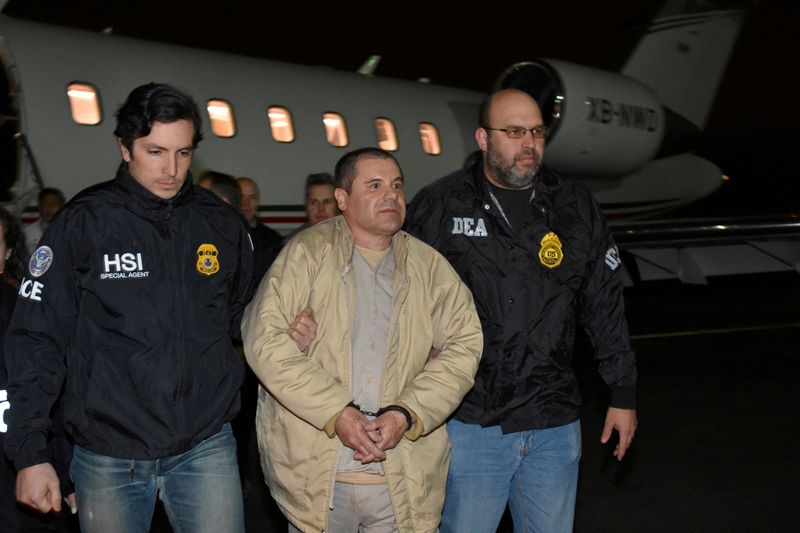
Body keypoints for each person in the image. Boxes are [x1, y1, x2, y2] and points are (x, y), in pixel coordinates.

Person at [3, 83, 254, 533]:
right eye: (155, 151)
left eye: (182, 153)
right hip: (109, 454)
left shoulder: (220, 224)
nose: (171, 169)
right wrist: (31, 453)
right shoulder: (85, 224)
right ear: (124, 147)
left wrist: (278, 328)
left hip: (205, 444)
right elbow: (36, 338)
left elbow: (238, 314)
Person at [405, 88, 638, 533]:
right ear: (483, 138)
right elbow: (401, 295)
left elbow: (604, 302)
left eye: (536, 131)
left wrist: (622, 393)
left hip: (554, 420)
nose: (528, 143)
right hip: (471, 420)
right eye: (513, 132)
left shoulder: (574, 205)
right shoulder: (441, 205)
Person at [242, 147, 483, 533]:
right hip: (318, 484)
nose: (391, 195)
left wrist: (407, 413)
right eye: (374, 185)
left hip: (401, 482)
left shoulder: (430, 267)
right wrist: (338, 413)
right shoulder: (306, 254)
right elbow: (263, 340)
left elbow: (464, 346)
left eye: (397, 185)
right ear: (343, 199)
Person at [0, 206, 75, 532]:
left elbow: (56, 400)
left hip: (16, 474)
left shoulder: (28, 313)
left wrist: (68, 475)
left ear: (7, 251)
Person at [236, 176, 283, 284]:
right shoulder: (218, 236)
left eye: (252, 197)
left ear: (257, 202)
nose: (246, 202)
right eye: (241, 196)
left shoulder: (273, 241)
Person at [23, 187, 65, 254]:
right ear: (39, 207)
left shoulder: (73, 230)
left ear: (62, 206)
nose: (49, 208)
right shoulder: (27, 232)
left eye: (53, 204)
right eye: (44, 204)